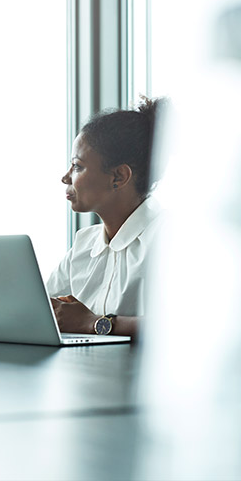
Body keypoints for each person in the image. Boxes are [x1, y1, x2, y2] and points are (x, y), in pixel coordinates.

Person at [46, 97, 165, 339]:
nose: (66, 178)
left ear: (119, 176)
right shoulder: (84, 244)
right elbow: (43, 310)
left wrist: (93, 323)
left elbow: (190, 325)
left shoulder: (170, 237)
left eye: (77, 166)